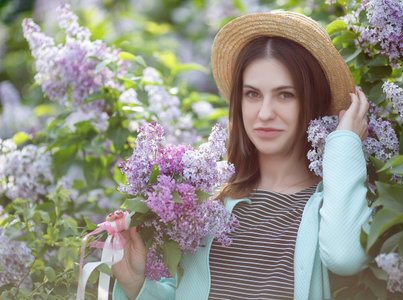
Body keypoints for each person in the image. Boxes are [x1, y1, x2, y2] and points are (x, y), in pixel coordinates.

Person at [111, 11, 372, 300]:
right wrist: (137, 285)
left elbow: (345, 257)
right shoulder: (207, 196)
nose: (264, 113)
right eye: (252, 94)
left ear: (312, 101)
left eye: (285, 94)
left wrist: (345, 143)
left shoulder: (331, 202)